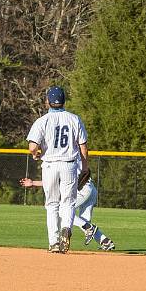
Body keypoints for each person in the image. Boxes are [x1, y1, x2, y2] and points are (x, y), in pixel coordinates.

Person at [26, 86, 89, 254]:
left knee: (52, 204)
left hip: (50, 165)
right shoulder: (74, 119)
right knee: (68, 202)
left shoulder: (42, 121)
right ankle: (66, 228)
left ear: (47, 101)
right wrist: (85, 167)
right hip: (69, 164)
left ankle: (54, 242)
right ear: (64, 101)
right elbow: (83, 147)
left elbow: (32, 146)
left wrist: (35, 154)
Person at [19, 160, 116, 252]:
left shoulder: (64, 160)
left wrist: (33, 183)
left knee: (63, 211)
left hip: (81, 190)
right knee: (82, 221)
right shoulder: (74, 155)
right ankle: (105, 241)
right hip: (91, 189)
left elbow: (54, 182)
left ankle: (88, 227)